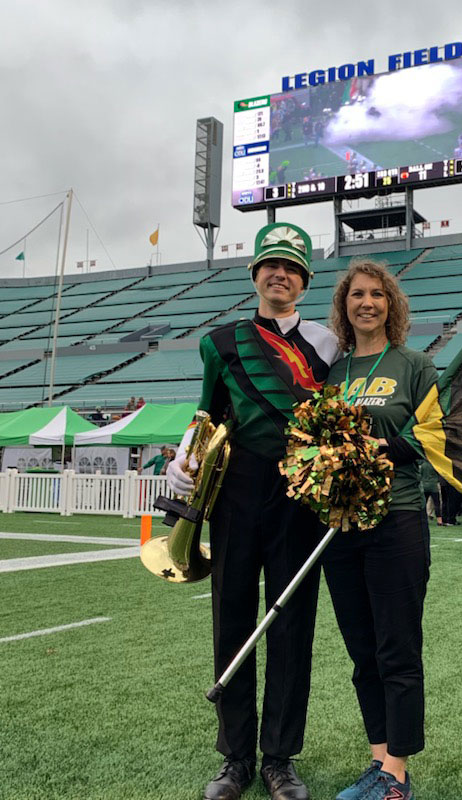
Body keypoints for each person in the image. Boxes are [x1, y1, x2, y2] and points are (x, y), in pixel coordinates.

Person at [166, 222, 339, 800]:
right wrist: (186, 458)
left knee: (292, 624)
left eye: (291, 266)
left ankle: (280, 758)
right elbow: (208, 413)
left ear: (305, 281)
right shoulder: (219, 342)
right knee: (232, 619)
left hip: (301, 496)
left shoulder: (327, 347)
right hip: (236, 494)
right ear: (254, 274)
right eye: (270, 264)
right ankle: (235, 758)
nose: (279, 274)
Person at [323, 260, 438, 800]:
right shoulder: (333, 375)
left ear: (391, 304)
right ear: (344, 307)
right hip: (340, 526)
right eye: (356, 295)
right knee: (362, 649)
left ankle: (396, 772)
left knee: (397, 647)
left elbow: (435, 436)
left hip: (397, 517)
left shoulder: (414, 366)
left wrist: (379, 448)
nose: (366, 302)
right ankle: (376, 761)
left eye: (377, 295)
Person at [420, 460, 442, 526]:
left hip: (424, 486)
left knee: (423, 503)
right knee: (437, 504)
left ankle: (422, 519)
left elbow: (420, 475)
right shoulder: (435, 465)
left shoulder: (423, 465)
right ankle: (439, 520)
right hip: (434, 486)